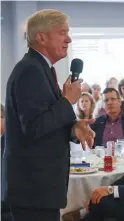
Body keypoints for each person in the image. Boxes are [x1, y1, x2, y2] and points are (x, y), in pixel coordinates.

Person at [2, 9, 95, 221]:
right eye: (63, 32)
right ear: (40, 37)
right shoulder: (30, 70)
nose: (69, 38)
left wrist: (74, 127)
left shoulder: (41, 68)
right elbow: (34, 127)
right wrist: (67, 100)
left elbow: (46, 122)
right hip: (33, 190)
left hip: (38, 190)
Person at [62, 108, 124, 221]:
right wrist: (106, 188)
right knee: (98, 196)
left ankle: (81, 214)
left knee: (100, 202)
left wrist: (111, 191)